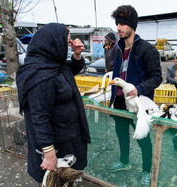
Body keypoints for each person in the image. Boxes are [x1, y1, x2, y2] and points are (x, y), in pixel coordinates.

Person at [16, 23, 91, 183]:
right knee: (57, 181)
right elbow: (39, 117)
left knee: (69, 179)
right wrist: (49, 154)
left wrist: (77, 55)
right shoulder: (40, 76)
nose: (68, 46)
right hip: (56, 146)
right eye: (67, 42)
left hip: (68, 138)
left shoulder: (54, 65)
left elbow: (69, 71)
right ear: (52, 43)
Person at [109, 5, 162, 186]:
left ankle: (147, 171)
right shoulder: (117, 48)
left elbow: (157, 78)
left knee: (142, 139)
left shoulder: (147, 50)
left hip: (138, 104)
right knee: (122, 134)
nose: (118, 28)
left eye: (123, 23)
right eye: (117, 24)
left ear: (133, 25)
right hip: (119, 101)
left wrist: (139, 88)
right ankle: (124, 162)